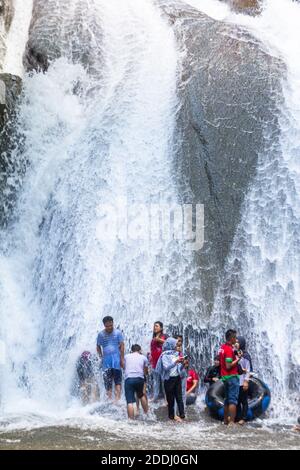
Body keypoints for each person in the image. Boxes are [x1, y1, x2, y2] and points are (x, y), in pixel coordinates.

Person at [156, 337, 185, 422]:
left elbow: (178, 368)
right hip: (169, 379)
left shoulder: (176, 354)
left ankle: (182, 415)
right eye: (175, 344)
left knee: (179, 397)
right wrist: (175, 362)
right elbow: (166, 367)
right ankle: (171, 417)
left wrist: (183, 364)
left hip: (177, 377)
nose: (176, 345)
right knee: (170, 399)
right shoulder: (164, 355)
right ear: (170, 345)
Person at [96, 316, 125, 402]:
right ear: (104, 325)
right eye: (107, 326)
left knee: (117, 381)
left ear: (113, 323)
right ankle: (109, 399)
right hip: (106, 361)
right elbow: (98, 346)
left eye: (111, 325)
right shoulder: (101, 334)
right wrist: (101, 356)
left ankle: (117, 399)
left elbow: (122, 345)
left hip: (116, 360)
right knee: (107, 382)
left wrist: (122, 359)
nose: (109, 327)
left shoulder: (118, 333)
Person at [219, 329, 241, 426]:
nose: (236, 340)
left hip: (225, 377)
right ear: (231, 338)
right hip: (232, 377)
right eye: (235, 338)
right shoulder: (228, 349)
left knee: (227, 400)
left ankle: (225, 420)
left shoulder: (222, 347)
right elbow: (228, 365)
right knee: (232, 400)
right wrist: (238, 359)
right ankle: (232, 422)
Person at [124, 344, 149, 420]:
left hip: (129, 379)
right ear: (140, 350)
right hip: (139, 379)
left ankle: (131, 420)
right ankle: (147, 414)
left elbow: (124, 366)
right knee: (141, 395)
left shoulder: (126, 356)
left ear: (131, 350)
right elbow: (146, 371)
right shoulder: (144, 357)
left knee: (129, 401)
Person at [236, 336, 252, 425]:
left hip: (243, 381)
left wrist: (246, 381)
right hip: (236, 381)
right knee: (237, 401)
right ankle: (238, 417)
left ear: (242, 343)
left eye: (238, 342)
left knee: (244, 401)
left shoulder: (246, 355)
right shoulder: (236, 354)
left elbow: (249, 369)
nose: (236, 344)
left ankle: (244, 418)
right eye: (235, 342)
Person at [150, 322, 167, 401]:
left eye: (156, 326)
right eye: (154, 326)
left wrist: (159, 339)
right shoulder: (153, 337)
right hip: (154, 363)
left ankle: (167, 399)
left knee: (164, 382)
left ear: (161, 328)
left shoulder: (164, 336)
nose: (155, 327)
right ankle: (155, 397)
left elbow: (168, 343)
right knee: (156, 382)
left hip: (162, 363)